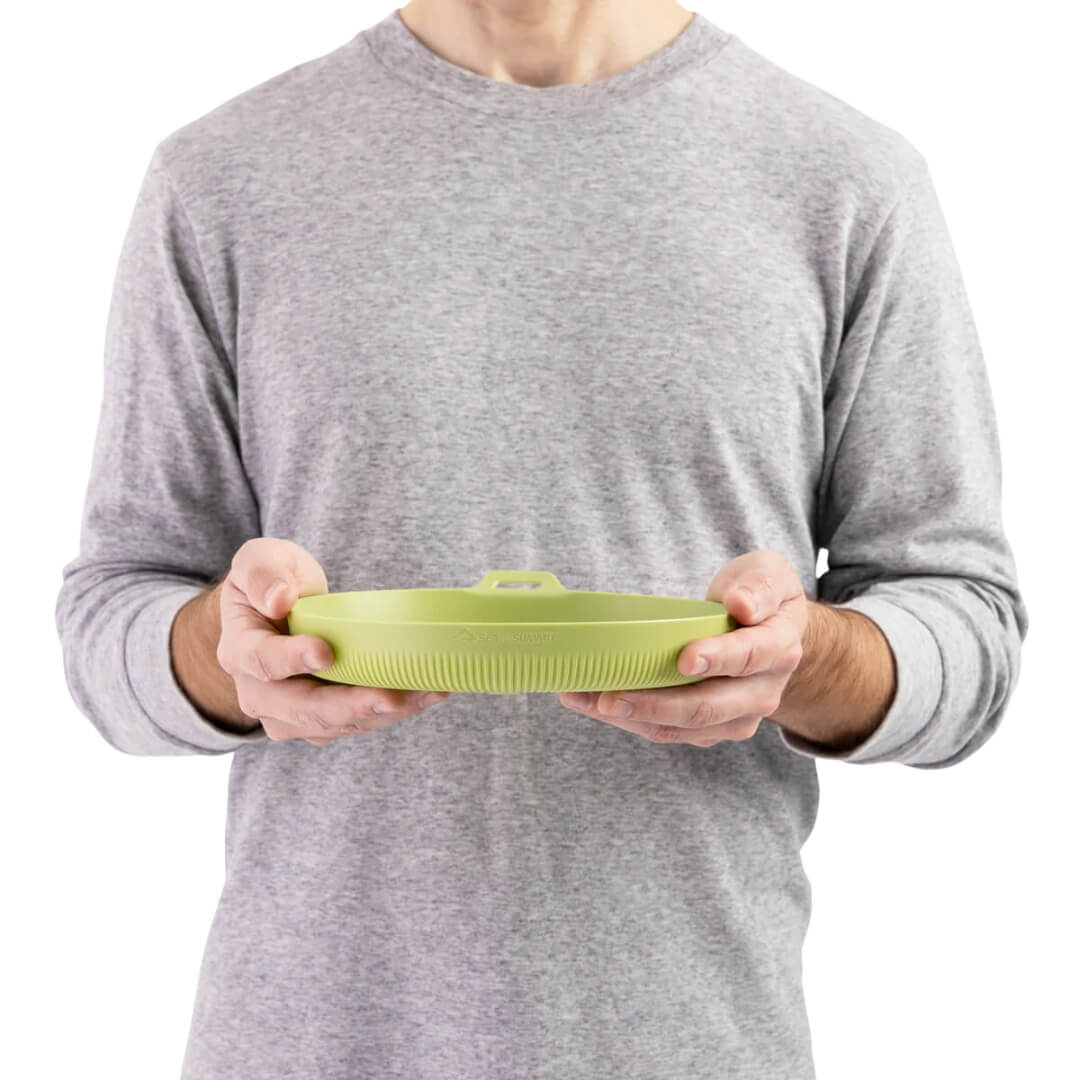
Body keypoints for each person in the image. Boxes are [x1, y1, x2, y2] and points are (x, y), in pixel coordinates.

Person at [54, 1, 1028, 1077]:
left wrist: (806, 659)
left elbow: (967, 628)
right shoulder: (220, 176)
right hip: (309, 1045)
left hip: (696, 1042)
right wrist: (222, 652)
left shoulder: (847, 179)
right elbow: (112, 616)